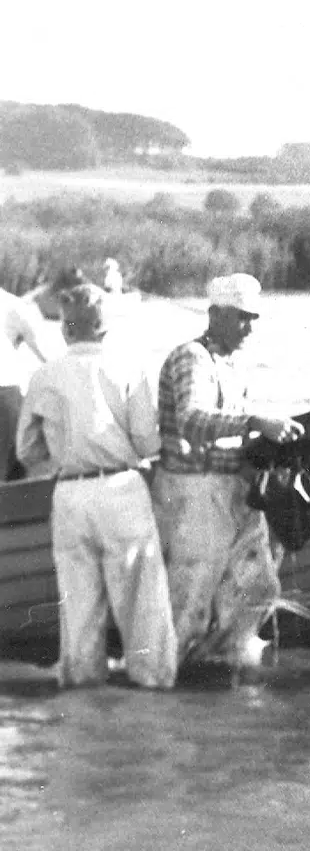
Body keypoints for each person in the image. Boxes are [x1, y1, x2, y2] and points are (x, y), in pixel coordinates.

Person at [14, 284, 177, 688]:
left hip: (69, 494)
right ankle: (152, 690)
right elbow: (147, 442)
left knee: (79, 613)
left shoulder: (43, 375)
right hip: (121, 489)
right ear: (105, 329)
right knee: (142, 607)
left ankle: (83, 699)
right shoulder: (128, 367)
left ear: (66, 330)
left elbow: (26, 451)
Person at [151, 273, 303, 672]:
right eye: (241, 317)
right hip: (193, 492)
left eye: (253, 318)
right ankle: (174, 684)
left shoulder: (233, 364)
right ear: (214, 314)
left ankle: (221, 671)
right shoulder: (192, 358)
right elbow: (190, 419)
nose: (249, 327)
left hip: (231, 490)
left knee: (260, 588)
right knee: (190, 605)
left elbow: (230, 429)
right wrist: (256, 421)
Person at [2, 288, 61, 480]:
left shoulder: (13, 305)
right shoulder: (12, 304)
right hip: (5, 390)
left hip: (5, 391)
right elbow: (47, 356)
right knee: (9, 479)